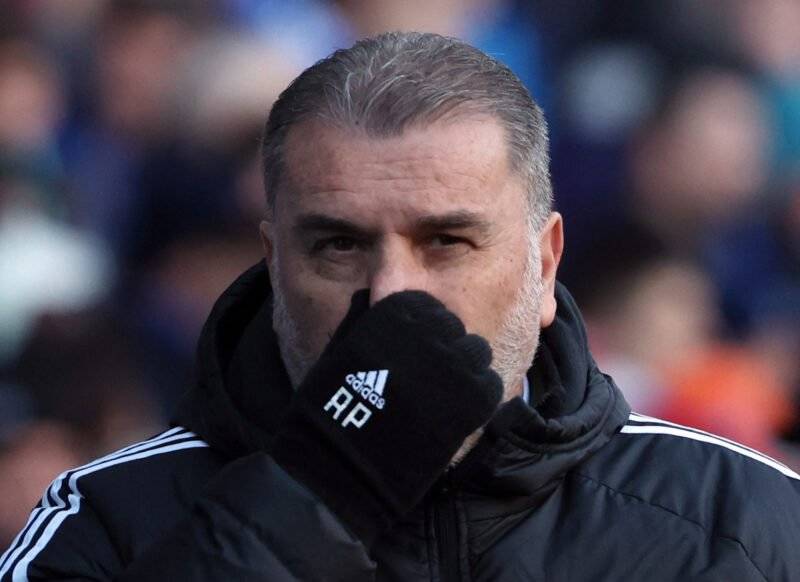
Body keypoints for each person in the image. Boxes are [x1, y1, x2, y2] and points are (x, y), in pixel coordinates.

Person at [2, 31, 799, 582]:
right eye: (338, 245)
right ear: (274, 263)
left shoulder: (743, 520)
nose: (391, 294)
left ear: (545, 262)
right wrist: (307, 502)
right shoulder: (103, 521)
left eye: (447, 241)